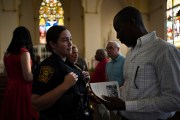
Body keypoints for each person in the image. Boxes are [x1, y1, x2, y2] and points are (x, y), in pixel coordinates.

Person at [102, 6, 180, 120]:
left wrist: (126, 105)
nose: (118, 36)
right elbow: (131, 86)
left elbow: (174, 100)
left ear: (132, 22)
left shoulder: (164, 50)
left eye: (118, 29)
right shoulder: (130, 53)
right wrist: (112, 93)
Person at [32, 25, 90, 120]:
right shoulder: (47, 67)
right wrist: (65, 85)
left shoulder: (69, 64)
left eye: (70, 39)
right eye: (65, 40)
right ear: (53, 44)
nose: (70, 43)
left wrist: (83, 81)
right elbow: (36, 103)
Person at [0, 26, 38, 120]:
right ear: (27, 38)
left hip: (10, 88)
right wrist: (38, 76)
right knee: (22, 114)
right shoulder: (24, 53)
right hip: (22, 89)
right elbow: (27, 77)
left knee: (12, 114)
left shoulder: (7, 53)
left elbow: (5, 73)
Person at [89, 49, 110, 120]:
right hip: (97, 93)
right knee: (98, 113)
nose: (95, 55)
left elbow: (105, 79)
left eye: (97, 53)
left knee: (103, 113)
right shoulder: (102, 62)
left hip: (101, 94)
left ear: (101, 55)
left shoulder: (105, 63)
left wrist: (100, 94)